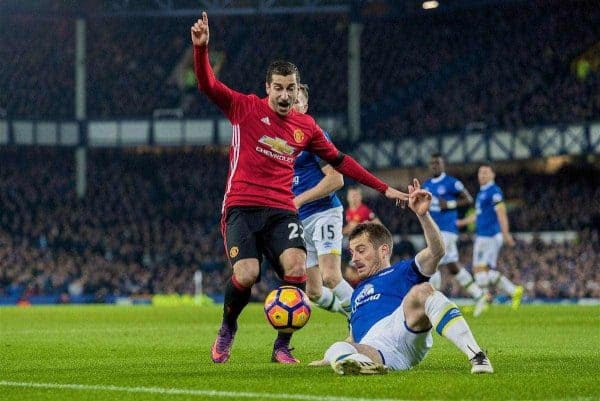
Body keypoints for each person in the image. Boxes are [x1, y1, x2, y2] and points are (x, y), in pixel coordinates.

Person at [190, 13, 408, 364]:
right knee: (246, 273)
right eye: (278, 87)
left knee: (296, 270)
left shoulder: (305, 126)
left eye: (291, 87)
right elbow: (208, 86)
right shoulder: (244, 108)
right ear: (268, 88)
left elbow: (341, 161)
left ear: (297, 89)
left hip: (281, 209)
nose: (284, 93)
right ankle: (228, 327)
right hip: (242, 206)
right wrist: (201, 50)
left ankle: (281, 346)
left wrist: (384, 189)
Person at [309, 179, 493, 375]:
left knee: (423, 291)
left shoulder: (403, 271)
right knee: (337, 347)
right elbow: (354, 336)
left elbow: (437, 251)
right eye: (353, 252)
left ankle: (477, 356)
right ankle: (358, 365)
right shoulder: (356, 294)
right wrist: (327, 357)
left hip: (403, 328)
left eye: (361, 250)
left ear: (383, 250)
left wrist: (424, 216)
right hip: (376, 349)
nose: (354, 259)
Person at [292, 84, 354, 315]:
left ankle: (362, 319)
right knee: (314, 291)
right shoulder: (282, 141)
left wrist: (299, 200)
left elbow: (336, 180)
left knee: (330, 276)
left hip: (324, 213)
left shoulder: (314, 137)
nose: (292, 104)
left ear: (305, 107)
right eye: (290, 99)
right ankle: (351, 311)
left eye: (298, 100)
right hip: (300, 221)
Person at [422, 153, 487, 317]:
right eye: (432, 163)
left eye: (437, 163)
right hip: (433, 229)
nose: (434, 166)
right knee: (451, 264)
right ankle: (479, 295)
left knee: (433, 261)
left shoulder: (452, 183)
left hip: (447, 229)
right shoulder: (426, 184)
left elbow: (468, 199)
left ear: (443, 165)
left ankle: (432, 304)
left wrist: (450, 204)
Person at [457, 163, 523, 312]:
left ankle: (486, 300)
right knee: (480, 271)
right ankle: (508, 292)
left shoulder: (494, 191)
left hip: (491, 236)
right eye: (480, 173)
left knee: (481, 270)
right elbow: (478, 215)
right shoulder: (481, 194)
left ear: (493, 175)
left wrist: (506, 234)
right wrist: (461, 222)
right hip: (482, 236)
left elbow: (501, 212)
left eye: (486, 172)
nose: (482, 175)